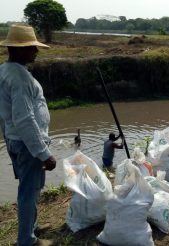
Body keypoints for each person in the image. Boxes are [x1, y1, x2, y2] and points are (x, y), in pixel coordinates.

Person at [0, 25, 56, 246]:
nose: (36, 51)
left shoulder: (6, 70)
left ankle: (31, 226)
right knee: (28, 191)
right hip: (27, 144)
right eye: (32, 47)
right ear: (18, 49)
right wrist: (44, 153)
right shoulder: (21, 79)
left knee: (31, 188)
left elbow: (8, 115)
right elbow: (24, 119)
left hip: (16, 140)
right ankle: (27, 240)